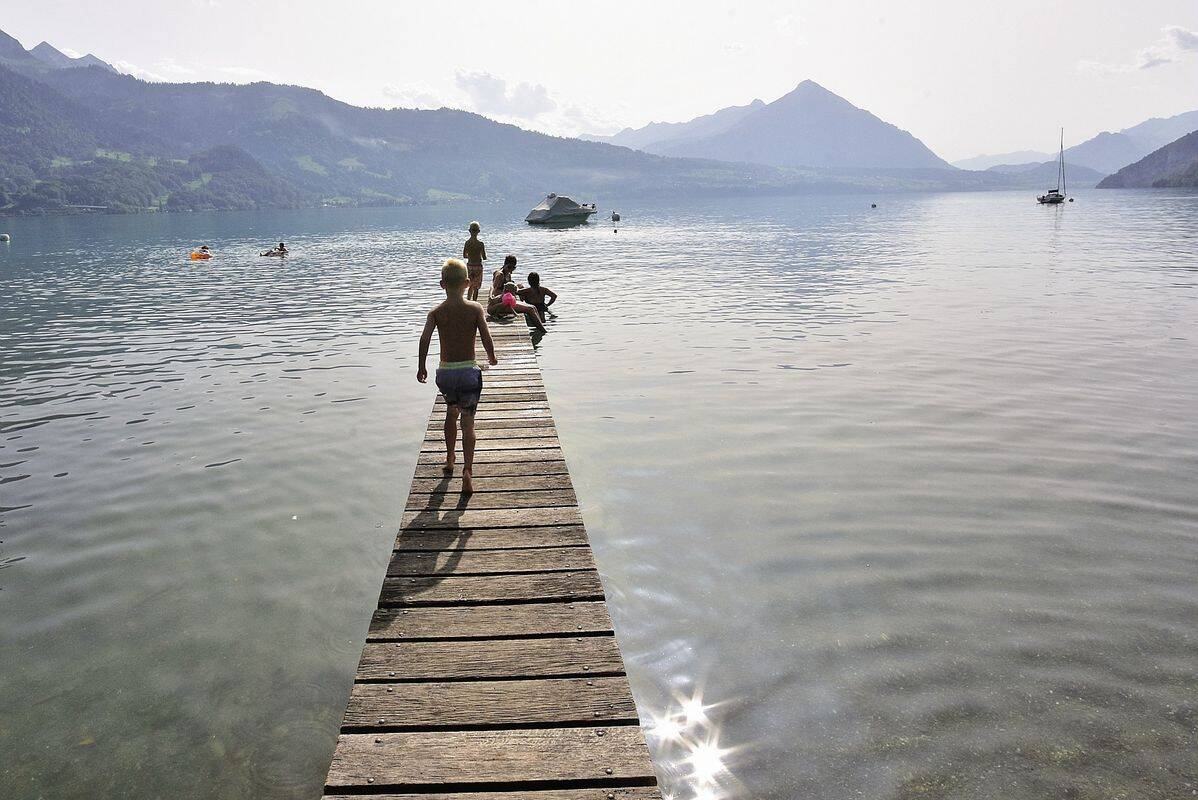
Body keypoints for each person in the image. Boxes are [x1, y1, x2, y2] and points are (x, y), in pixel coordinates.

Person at [417, 258, 498, 494]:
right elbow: (485, 336)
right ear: (467, 283)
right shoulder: (475, 309)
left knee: (450, 412)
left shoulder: (436, 312)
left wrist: (422, 366)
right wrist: (491, 357)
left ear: (442, 284)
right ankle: (468, 471)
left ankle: (450, 458)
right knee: (468, 421)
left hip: (446, 374)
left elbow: (424, 339)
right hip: (468, 373)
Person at [462, 222, 487, 301]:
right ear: (478, 231)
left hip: (470, 266)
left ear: (469, 231)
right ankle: (474, 302)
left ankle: (468, 301)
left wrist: (470, 256)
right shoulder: (480, 244)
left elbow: (464, 255)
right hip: (478, 267)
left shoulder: (467, 243)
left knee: (470, 285)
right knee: (476, 287)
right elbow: (484, 257)